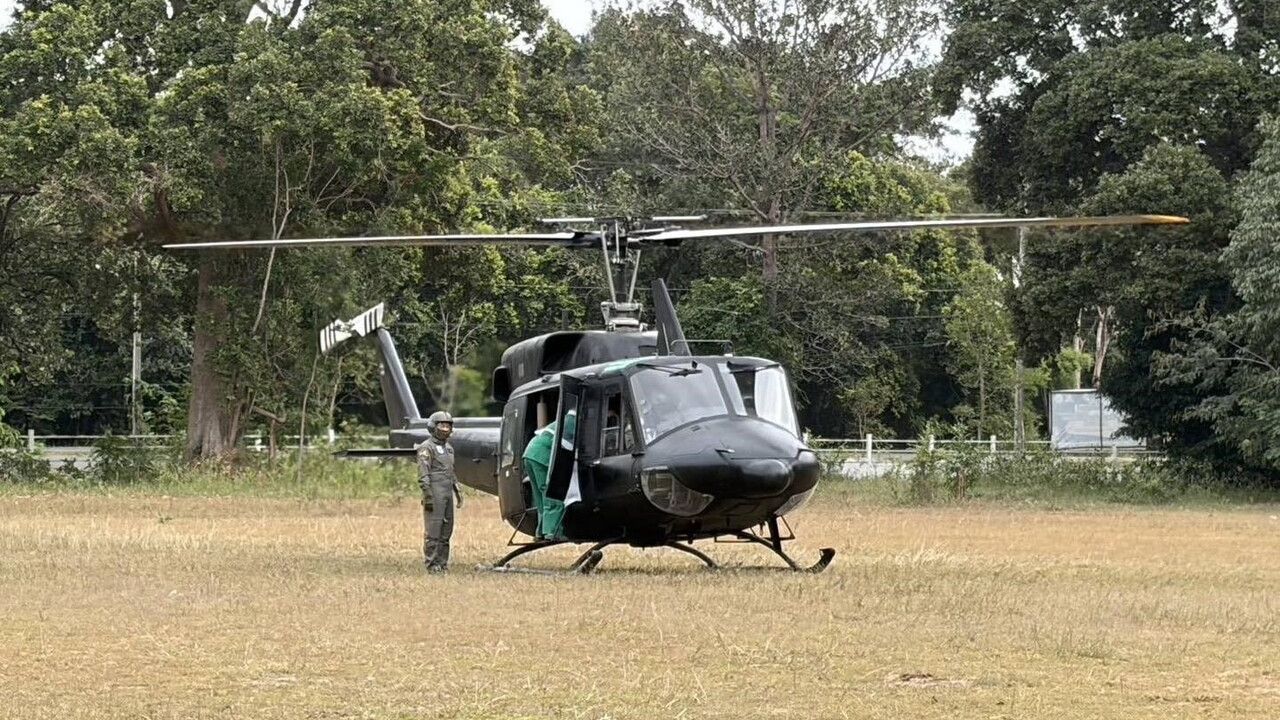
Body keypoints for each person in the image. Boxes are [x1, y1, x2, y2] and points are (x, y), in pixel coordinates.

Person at [415, 410, 458, 572]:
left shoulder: (449, 448)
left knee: (446, 531)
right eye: (442, 425)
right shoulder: (426, 448)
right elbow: (423, 473)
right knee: (433, 530)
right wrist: (428, 495)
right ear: (433, 426)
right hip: (434, 493)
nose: (445, 428)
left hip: (447, 494)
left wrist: (457, 490)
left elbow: (450, 471)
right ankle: (432, 564)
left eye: (448, 425)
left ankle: (442, 563)